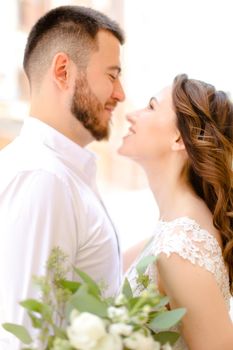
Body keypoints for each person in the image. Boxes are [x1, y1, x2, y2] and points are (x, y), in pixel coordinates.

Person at [0, 5, 125, 349]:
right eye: (112, 75)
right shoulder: (43, 178)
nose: (120, 93)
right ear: (63, 71)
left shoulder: (59, 172)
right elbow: (27, 336)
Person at [119, 74, 233, 350]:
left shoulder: (181, 249)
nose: (131, 116)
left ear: (179, 138)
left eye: (151, 106)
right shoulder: (171, 232)